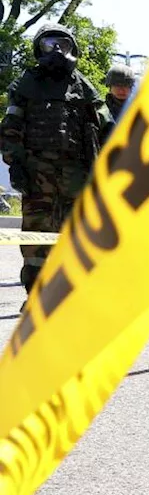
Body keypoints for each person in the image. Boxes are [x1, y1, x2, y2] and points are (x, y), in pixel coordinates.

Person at [1, 23, 115, 297]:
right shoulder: (27, 83)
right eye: (49, 45)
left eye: (62, 45)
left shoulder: (82, 85)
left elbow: (107, 126)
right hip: (37, 177)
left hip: (76, 178)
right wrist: (14, 163)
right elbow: (10, 128)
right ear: (38, 48)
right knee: (35, 243)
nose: (56, 52)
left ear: (71, 48)